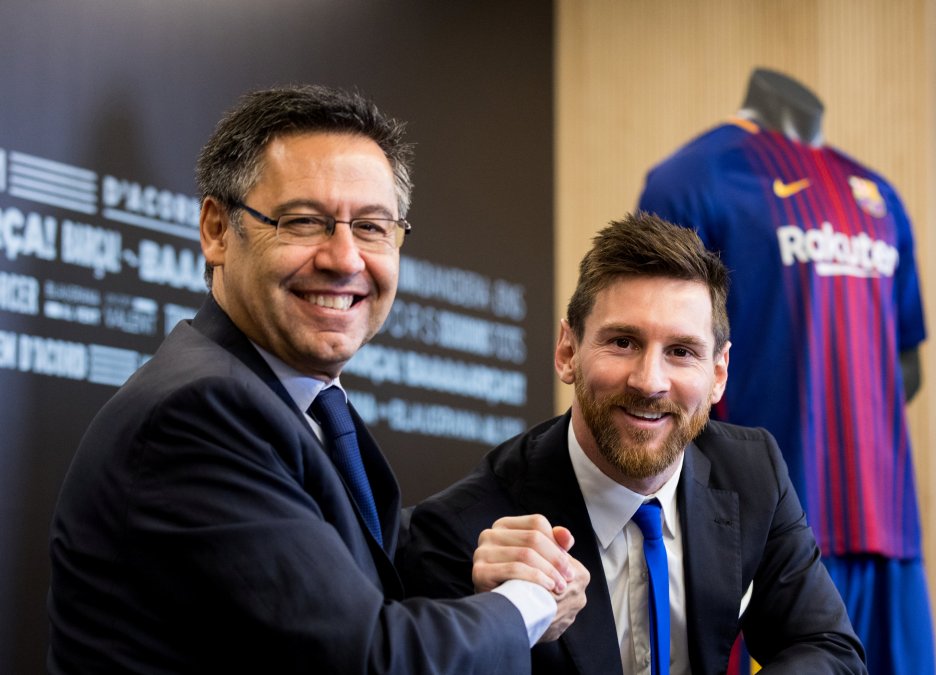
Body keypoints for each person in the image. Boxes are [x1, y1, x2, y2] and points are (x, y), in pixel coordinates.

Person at [47, 84, 588, 674]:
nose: (346, 259)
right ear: (217, 231)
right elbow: (373, 660)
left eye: (373, 227)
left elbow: (367, 570)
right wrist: (531, 601)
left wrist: (490, 562)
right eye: (304, 222)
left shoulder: (297, 397)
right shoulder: (198, 413)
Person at [403, 212, 867, 674]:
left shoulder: (752, 471)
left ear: (718, 374)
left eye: (681, 352)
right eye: (623, 342)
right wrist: (501, 616)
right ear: (568, 352)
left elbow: (829, 649)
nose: (649, 382)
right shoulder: (463, 530)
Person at [636, 68, 934, 674]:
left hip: (887, 528)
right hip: (765, 533)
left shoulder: (878, 195)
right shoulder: (693, 179)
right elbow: (663, 346)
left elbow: (906, 361)